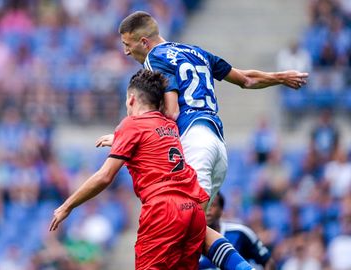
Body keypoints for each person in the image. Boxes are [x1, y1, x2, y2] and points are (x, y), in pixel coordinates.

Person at [97, 10, 308, 270]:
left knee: (183, 228)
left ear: (143, 42)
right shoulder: (195, 52)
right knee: (195, 230)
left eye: (127, 45)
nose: (126, 53)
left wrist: (128, 134)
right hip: (217, 146)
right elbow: (245, 79)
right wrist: (279, 77)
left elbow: (172, 112)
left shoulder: (154, 59)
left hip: (194, 142)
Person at [50, 69, 210, 270]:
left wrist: (67, 206)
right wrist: (118, 140)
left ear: (132, 99)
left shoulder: (132, 124)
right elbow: (150, 147)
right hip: (193, 209)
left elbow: (104, 176)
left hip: (164, 211)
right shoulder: (169, 125)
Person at [199, 192, 276, 270]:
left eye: (212, 205)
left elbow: (268, 261)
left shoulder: (240, 233)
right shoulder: (189, 239)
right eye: (205, 205)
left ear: (222, 210)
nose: (208, 209)